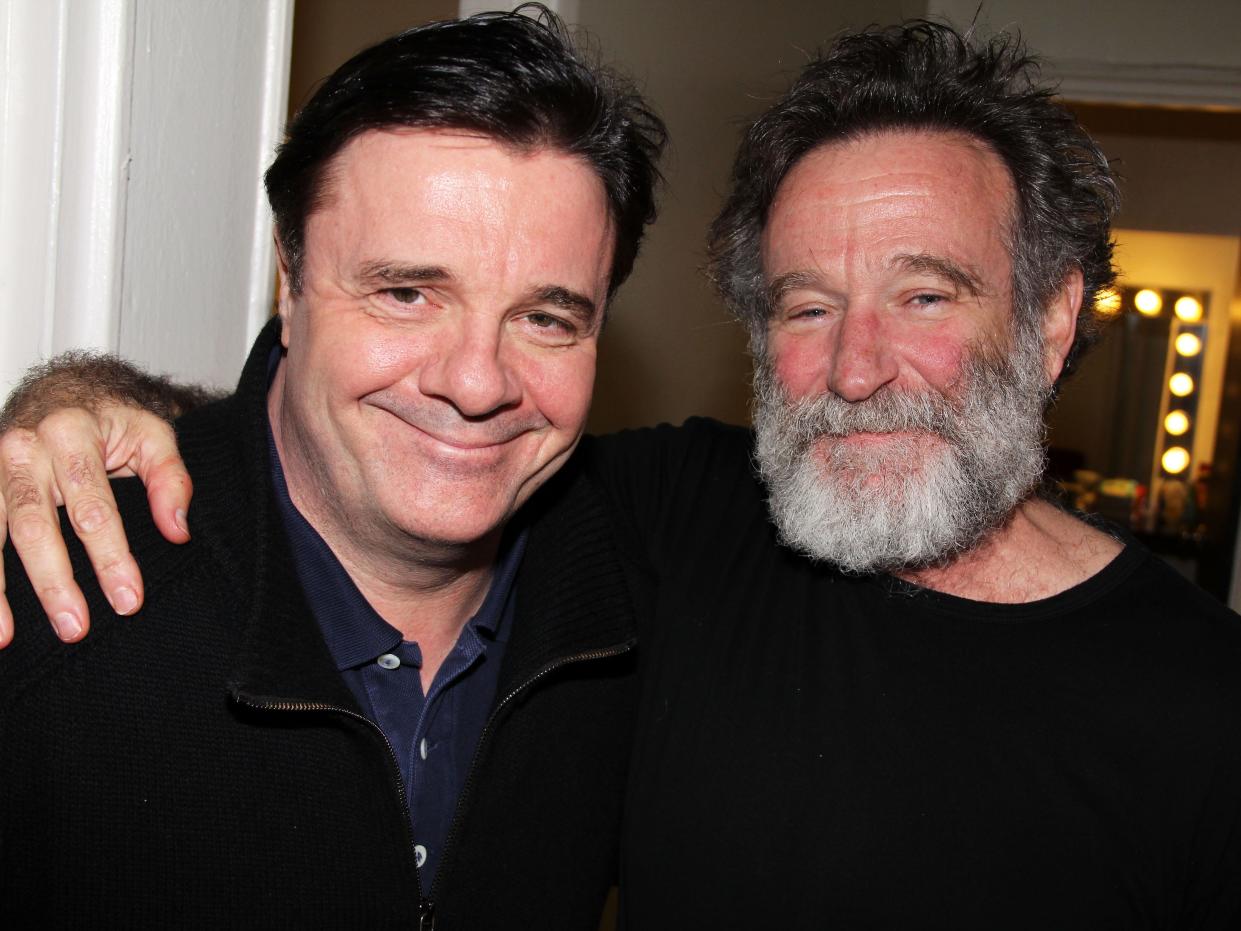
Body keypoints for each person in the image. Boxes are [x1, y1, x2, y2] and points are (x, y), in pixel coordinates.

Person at [5, 20, 1241, 930]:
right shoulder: (681, 527)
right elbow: (352, 437)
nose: (859, 366)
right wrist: (74, 405)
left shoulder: (1204, 708)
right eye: (809, 304)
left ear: (1049, 315)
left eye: (924, 293)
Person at [0, 8, 666, 928]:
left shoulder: (653, 584)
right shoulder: (50, 615)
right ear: (290, 279)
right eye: (405, 292)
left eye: (547, 318)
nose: (476, 383)